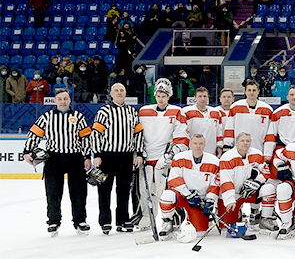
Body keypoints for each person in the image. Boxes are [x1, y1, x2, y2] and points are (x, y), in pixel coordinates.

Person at [23, 89, 94, 236]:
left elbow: (86, 138)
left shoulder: (78, 117)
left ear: (69, 100)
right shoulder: (46, 117)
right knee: (53, 192)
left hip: (75, 157)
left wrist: (87, 156)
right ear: (55, 101)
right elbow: (35, 134)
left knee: (79, 192)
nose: (63, 101)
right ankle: (53, 221)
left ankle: (80, 220)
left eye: (65, 99)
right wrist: (27, 151)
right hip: (54, 158)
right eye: (60, 99)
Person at [90, 84, 144, 234]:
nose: (119, 93)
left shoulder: (132, 112)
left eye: (122, 90)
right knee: (104, 190)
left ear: (125, 93)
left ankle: (123, 219)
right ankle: (105, 221)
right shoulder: (104, 111)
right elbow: (95, 134)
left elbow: (138, 134)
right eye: (116, 91)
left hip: (126, 156)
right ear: (111, 94)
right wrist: (97, 155)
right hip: (107, 156)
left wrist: (139, 153)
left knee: (124, 190)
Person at [137, 79, 190, 230]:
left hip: (165, 160)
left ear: (169, 96)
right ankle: (147, 217)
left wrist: (171, 155)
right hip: (147, 159)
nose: (161, 98)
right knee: (144, 191)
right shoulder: (144, 111)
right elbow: (137, 134)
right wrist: (140, 152)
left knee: (165, 193)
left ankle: (171, 219)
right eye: (158, 95)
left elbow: (182, 137)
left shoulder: (176, 111)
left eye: (164, 95)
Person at [153, 134, 220, 242]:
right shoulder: (180, 158)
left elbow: (215, 183)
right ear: (190, 145)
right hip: (183, 195)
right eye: (195, 143)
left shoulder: (214, 161)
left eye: (201, 144)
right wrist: (189, 194)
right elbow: (173, 180)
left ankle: (189, 216)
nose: (198, 146)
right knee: (167, 196)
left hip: (199, 200)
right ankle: (168, 221)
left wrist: (210, 200)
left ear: (205, 145)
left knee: (199, 232)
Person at [216, 131, 276, 234]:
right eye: (242, 141)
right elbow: (226, 181)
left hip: (250, 193)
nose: (245, 143)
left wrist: (256, 181)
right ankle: (234, 213)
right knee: (226, 230)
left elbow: (266, 171)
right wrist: (230, 200)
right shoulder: (227, 157)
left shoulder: (256, 153)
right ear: (236, 143)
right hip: (233, 195)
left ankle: (265, 219)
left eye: (248, 141)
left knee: (269, 188)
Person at [224, 80, 274, 157]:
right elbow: (229, 128)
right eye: (249, 90)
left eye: (254, 90)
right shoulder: (235, 107)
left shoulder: (267, 109)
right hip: (238, 151)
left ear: (258, 92)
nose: (251, 93)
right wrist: (227, 146)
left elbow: (270, 133)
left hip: (259, 150)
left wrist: (268, 152)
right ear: (245, 92)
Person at [181, 87, 225, 156]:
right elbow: (184, 133)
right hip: (192, 153)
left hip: (211, 153)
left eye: (205, 96)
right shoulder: (186, 112)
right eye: (200, 96)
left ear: (208, 98)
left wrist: (219, 148)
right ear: (195, 98)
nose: (202, 99)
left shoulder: (216, 112)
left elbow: (219, 133)